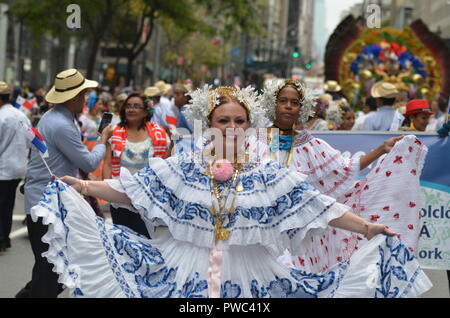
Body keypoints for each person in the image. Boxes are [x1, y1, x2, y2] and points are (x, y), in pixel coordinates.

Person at [29, 85, 431, 298]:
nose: (232, 128)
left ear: (248, 125)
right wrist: (82, 185)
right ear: (209, 124)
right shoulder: (185, 164)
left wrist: (366, 228)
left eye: (240, 121)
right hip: (185, 269)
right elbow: (131, 189)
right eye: (224, 120)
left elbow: (318, 207)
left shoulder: (268, 170)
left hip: (251, 272)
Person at [260, 79, 426, 272]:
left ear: (302, 108)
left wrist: (382, 149)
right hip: (264, 232)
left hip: (301, 237)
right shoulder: (255, 140)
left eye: (294, 102)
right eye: (283, 100)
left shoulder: (310, 144)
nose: (288, 106)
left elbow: (345, 168)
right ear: (273, 103)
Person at [15, 69, 113, 298]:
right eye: (83, 95)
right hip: (46, 205)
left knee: (50, 271)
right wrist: (102, 140)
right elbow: (88, 163)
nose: (86, 100)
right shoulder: (61, 123)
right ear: (73, 98)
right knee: (52, 272)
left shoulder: (57, 117)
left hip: (49, 201)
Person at [102, 92, 170, 238]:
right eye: (128, 106)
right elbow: (107, 163)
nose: (131, 110)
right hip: (120, 195)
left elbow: (166, 162)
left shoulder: (159, 133)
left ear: (145, 111)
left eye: (136, 106)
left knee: (147, 239)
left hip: (149, 196)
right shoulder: (114, 132)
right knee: (123, 239)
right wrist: (108, 189)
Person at [0, 82, 31, 253]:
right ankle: (5, 239)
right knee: (8, 205)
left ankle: (2, 240)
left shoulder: (1, 117)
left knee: (1, 206)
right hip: (18, 167)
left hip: (3, 168)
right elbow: (30, 139)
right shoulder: (21, 115)